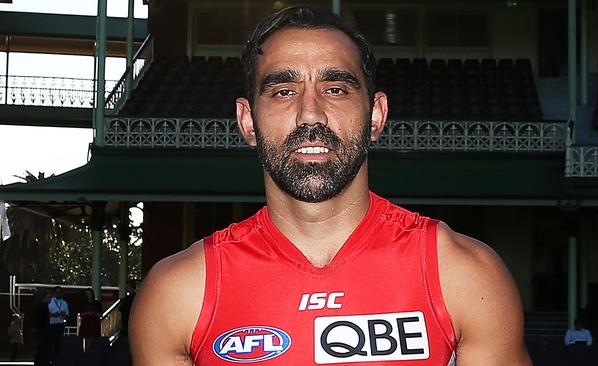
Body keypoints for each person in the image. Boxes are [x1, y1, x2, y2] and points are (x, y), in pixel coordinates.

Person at [130, 6, 531, 366]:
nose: (310, 114)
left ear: (376, 115)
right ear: (247, 121)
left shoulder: (464, 274)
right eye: (284, 91)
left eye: (335, 89)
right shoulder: (178, 293)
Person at [48, 286, 69, 363]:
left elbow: (67, 315)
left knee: (59, 342)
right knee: (50, 342)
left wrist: (63, 314)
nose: (58, 293)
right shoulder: (50, 302)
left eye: (60, 292)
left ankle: (56, 358)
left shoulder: (64, 303)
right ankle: (49, 357)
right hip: (51, 324)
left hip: (60, 324)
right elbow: (46, 314)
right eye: (57, 292)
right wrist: (53, 314)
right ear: (54, 293)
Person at [33, 290, 52, 366]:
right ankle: (43, 362)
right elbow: (39, 318)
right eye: (49, 297)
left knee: (41, 347)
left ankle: (40, 361)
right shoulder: (44, 307)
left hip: (42, 329)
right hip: (44, 330)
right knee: (44, 347)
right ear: (45, 297)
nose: (50, 299)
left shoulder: (43, 306)